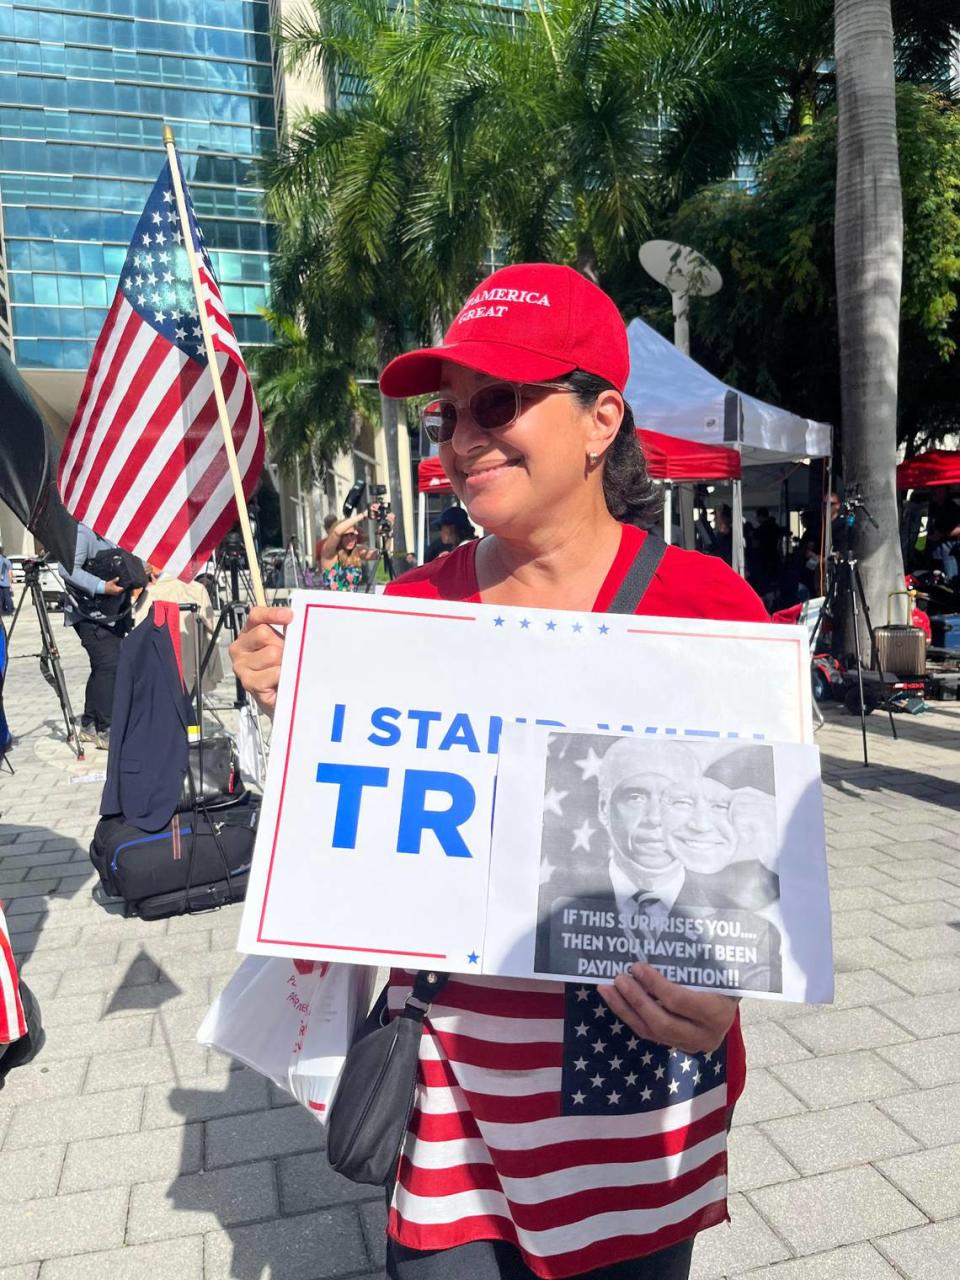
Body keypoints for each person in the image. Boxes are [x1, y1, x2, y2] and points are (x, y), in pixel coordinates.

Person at [228, 262, 773, 1280]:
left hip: (638, 1080)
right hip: (456, 1098)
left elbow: (749, 859)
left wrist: (732, 985)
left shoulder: (711, 609)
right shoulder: (402, 607)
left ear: (601, 418)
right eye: (449, 417)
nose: (465, 438)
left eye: (500, 403)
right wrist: (295, 716)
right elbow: (352, 858)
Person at [538, 738, 782, 993]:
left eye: (673, 800)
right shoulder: (544, 907)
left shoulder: (749, 928)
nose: (654, 818)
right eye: (635, 797)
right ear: (603, 808)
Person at [58, 523, 127, 749]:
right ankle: (106, 730)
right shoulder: (83, 531)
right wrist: (101, 586)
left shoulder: (111, 534)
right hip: (89, 614)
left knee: (103, 668)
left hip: (110, 614)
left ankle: (89, 724)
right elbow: (66, 569)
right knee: (109, 665)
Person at [317, 507, 394, 590]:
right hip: (333, 602)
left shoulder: (357, 551)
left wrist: (388, 532)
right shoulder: (330, 553)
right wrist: (363, 515)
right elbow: (336, 532)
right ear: (339, 538)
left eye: (353, 535)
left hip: (354, 601)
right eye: (346, 536)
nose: (350, 539)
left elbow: (380, 554)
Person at [0, 545, 13, 615]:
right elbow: (10, 572)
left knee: (0, 598)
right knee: (7, 597)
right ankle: (9, 611)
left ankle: (1, 610)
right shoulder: (6, 560)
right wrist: (10, 583)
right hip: (6, 582)